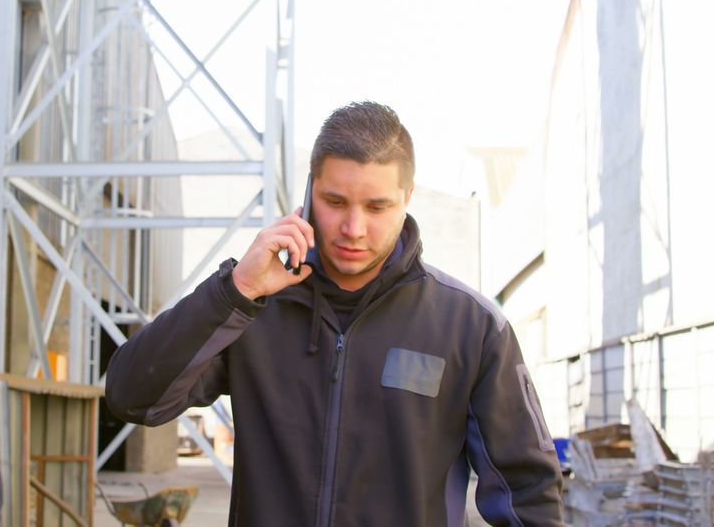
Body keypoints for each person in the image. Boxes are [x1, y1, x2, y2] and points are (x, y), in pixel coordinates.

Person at [105, 101, 564, 526]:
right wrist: (237, 290)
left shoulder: (472, 327)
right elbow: (133, 396)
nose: (353, 229)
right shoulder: (252, 311)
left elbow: (529, 493)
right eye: (335, 202)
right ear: (309, 191)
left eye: (377, 206)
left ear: (408, 196)